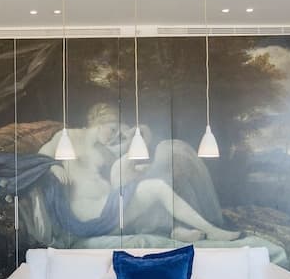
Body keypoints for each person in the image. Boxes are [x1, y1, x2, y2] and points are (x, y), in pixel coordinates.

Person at [38, 102, 239, 242]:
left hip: (108, 208)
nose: (114, 136)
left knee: (159, 177)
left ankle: (178, 229)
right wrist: (53, 166)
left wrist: (139, 139)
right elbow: (40, 155)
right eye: (112, 129)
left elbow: (126, 160)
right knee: (156, 187)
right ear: (98, 123)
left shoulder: (104, 150)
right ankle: (209, 230)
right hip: (90, 215)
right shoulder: (68, 137)